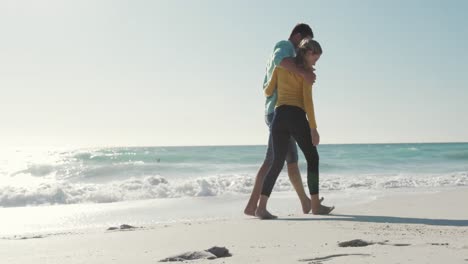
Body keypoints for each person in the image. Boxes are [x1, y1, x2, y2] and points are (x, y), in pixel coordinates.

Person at [255, 38, 334, 219]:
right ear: (307, 53)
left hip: (279, 117)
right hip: (296, 116)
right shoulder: (306, 73)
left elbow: (268, 91)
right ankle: (315, 205)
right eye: (315, 57)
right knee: (312, 158)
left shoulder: (281, 67)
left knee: (277, 163)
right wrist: (313, 128)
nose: (316, 62)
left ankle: (261, 207)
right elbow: (308, 102)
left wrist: (275, 80)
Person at [244, 24, 318, 216]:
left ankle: (305, 202)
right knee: (273, 160)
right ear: (298, 36)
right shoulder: (285, 46)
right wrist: (304, 73)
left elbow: (266, 87)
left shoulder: (291, 58)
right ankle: (254, 206)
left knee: (291, 160)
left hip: (279, 112)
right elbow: (279, 61)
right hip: (280, 112)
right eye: (305, 41)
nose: (305, 46)